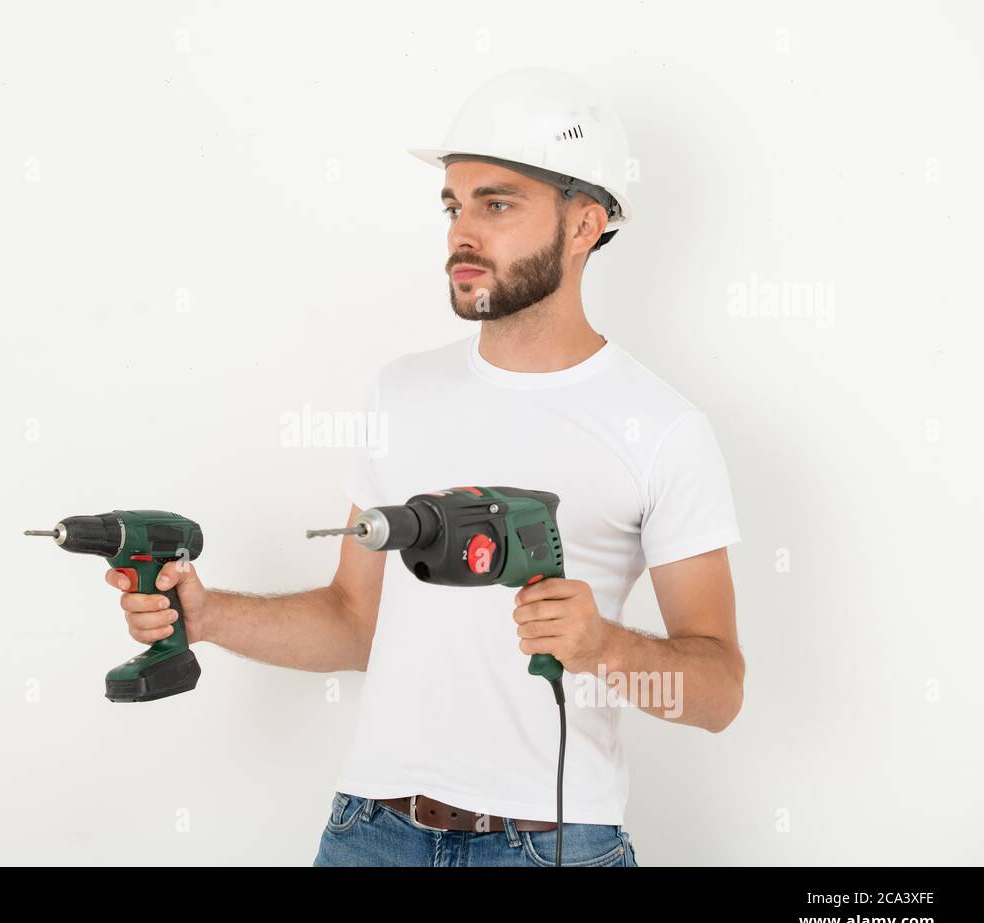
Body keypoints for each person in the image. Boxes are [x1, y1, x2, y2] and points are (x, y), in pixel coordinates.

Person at [107, 67, 743, 867]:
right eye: (453, 204)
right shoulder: (401, 392)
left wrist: (601, 647)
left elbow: (717, 693)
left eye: (497, 203)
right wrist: (207, 615)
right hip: (369, 831)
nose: (461, 234)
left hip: (549, 843)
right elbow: (354, 618)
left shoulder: (663, 427)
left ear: (585, 225)